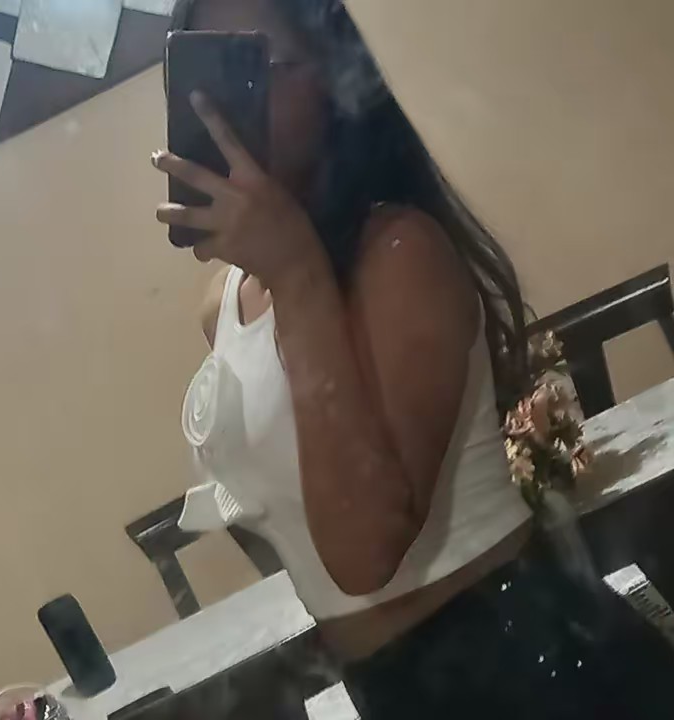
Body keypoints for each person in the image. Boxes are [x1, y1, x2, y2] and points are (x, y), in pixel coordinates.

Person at [152, 0, 674, 716]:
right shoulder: (225, 303)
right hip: (392, 690)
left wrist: (298, 273)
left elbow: (366, 553)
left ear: (334, 80)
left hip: (529, 664)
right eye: (202, 76)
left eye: (256, 66)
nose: (221, 107)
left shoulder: (399, 253)